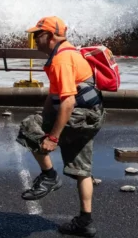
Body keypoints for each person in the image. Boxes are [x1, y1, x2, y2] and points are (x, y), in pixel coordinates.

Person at [15, 16, 105, 237]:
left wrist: (52, 137)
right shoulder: (67, 53)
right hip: (91, 115)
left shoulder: (61, 60)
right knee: (82, 170)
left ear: (51, 36)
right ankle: (86, 222)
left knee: (28, 126)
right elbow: (54, 95)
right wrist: (45, 120)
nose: (35, 39)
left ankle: (49, 176)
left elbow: (67, 101)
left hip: (78, 115)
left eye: (38, 35)